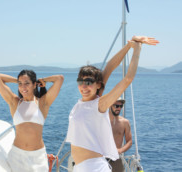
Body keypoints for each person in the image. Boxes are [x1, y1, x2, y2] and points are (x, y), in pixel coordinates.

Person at [66, 36, 159, 172]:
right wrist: (128, 46)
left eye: (89, 82)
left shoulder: (100, 104)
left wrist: (136, 49)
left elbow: (127, 79)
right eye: (81, 82)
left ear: (98, 85)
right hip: (80, 167)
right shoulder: (81, 103)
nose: (84, 86)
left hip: (94, 168)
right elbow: (109, 67)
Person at [0, 70, 64, 172]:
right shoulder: (14, 102)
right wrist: (18, 81)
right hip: (16, 156)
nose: (23, 87)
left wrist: (42, 80)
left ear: (34, 85)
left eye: (27, 83)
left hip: (38, 158)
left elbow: (59, 79)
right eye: (20, 84)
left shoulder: (42, 103)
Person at [108, 97, 132, 172]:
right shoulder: (101, 121)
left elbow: (129, 141)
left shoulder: (125, 122)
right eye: (116, 106)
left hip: (116, 159)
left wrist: (120, 150)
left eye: (121, 106)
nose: (119, 108)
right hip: (101, 158)